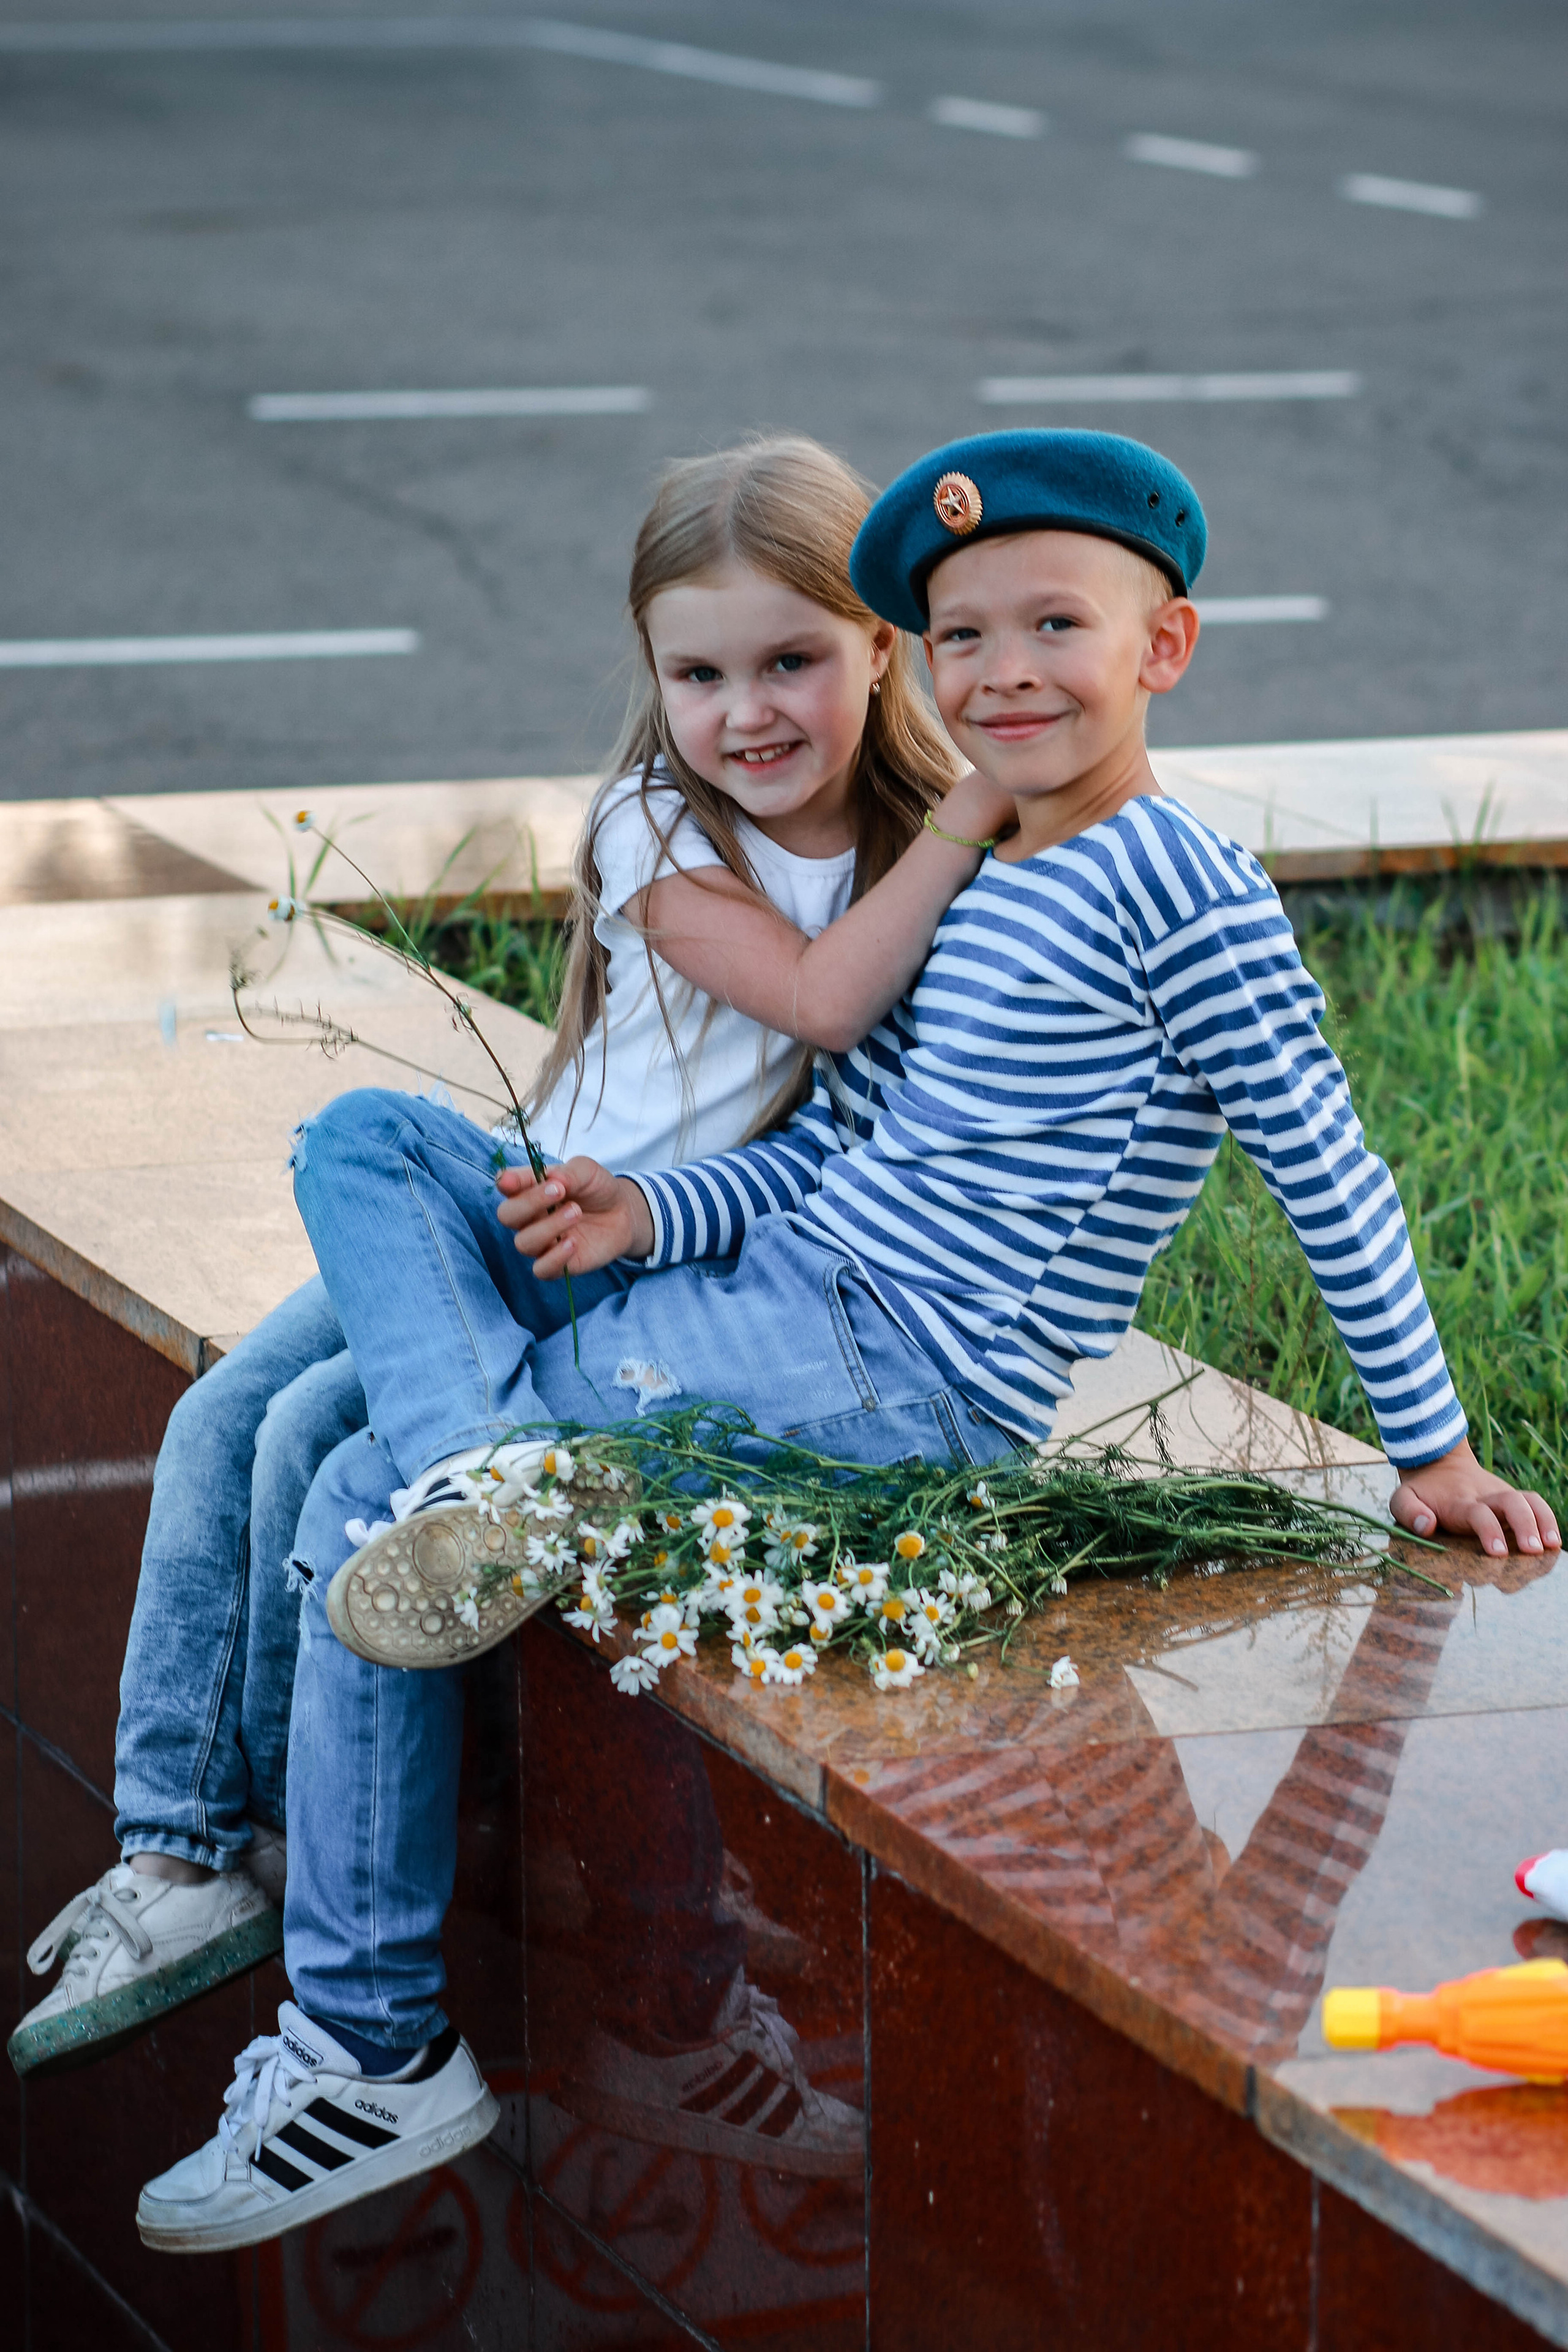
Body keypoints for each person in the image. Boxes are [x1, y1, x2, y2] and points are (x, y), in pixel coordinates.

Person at [137, 426, 1558, 2251]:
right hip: (789, 1299)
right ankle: (468, 1537)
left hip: (908, 1375)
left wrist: (1429, 1448)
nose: (1006, 672)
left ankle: (369, 2045)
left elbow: (1326, 1165)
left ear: (1165, 648)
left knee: (366, 1494)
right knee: (364, 1323)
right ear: (921, 661)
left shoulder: (1180, 885)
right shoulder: (981, 870)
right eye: (966, 636)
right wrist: (656, 1213)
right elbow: (836, 1152)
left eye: (1056, 625)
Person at [12, 433, 1009, 2086]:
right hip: (524, 1213)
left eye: (792, 662)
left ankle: (290, 1825)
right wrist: (976, 810)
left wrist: (965, 812)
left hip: (634, 1265)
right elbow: (819, 996)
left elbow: (847, 1095)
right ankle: (185, 1847)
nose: (745, 712)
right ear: (652, 676)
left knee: (308, 1433)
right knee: (234, 1391)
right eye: (698, 674)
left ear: (881, 649)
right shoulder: (654, 821)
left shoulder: (920, 862)